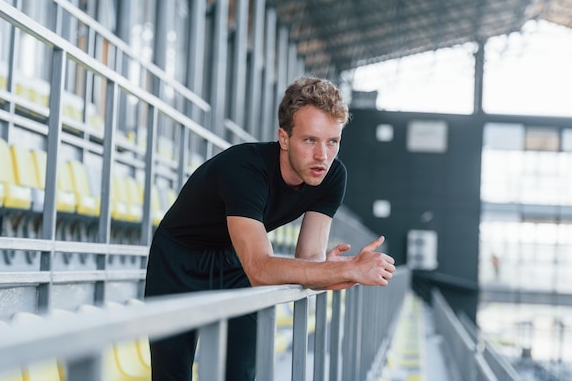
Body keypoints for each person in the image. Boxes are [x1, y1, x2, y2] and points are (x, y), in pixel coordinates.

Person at [144, 76, 396, 381]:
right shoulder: (245, 169)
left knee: (243, 372)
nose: (323, 156)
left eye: (333, 141)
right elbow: (261, 269)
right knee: (172, 375)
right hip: (179, 258)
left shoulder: (332, 176)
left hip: (235, 259)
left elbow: (309, 259)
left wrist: (332, 270)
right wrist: (347, 270)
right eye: (310, 140)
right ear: (284, 138)